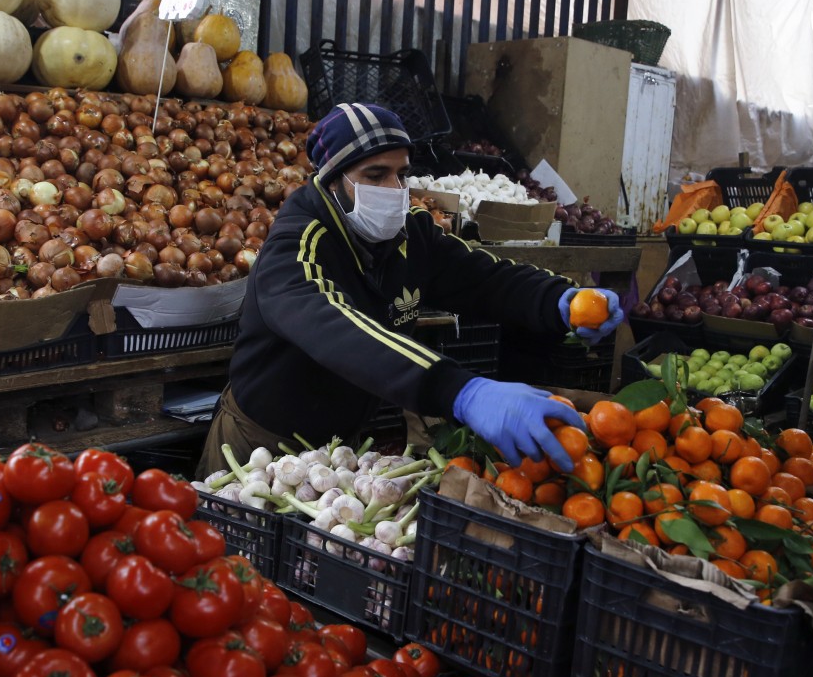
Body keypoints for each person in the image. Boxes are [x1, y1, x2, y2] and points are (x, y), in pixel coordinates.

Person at [197, 102, 623, 477]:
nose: (394, 190)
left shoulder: (410, 233)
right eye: (375, 175)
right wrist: (460, 390)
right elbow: (343, 333)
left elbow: (481, 276)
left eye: (402, 174)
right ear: (331, 181)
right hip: (259, 450)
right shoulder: (295, 248)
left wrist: (558, 300)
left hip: (340, 449)